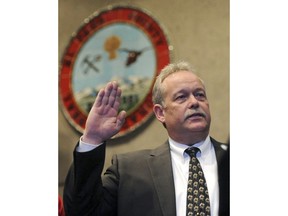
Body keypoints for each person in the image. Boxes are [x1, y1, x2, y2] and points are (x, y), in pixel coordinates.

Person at [63, 61, 229, 216]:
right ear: (160, 113)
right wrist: (92, 138)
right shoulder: (129, 171)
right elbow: (81, 211)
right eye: (181, 97)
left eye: (200, 95)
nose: (194, 102)